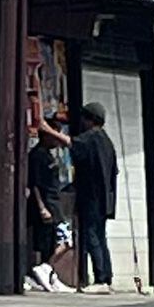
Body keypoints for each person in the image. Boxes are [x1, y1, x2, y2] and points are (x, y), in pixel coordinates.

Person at [69, 102, 119, 294]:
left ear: (90, 119)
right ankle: (107, 277)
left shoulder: (91, 137)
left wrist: (46, 128)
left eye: (84, 118)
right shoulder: (107, 141)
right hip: (106, 198)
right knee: (100, 236)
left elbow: (72, 144)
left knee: (91, 236)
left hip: (91, 197)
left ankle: (100, 278)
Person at [27, 113, 75, 293]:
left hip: (56, 203)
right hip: (47, 203)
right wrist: (42, 207)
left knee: (54, 240)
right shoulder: (37, 156)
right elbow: (35, 185)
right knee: (65, 240)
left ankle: (52, 275)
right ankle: (45, 267)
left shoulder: (50, 155)